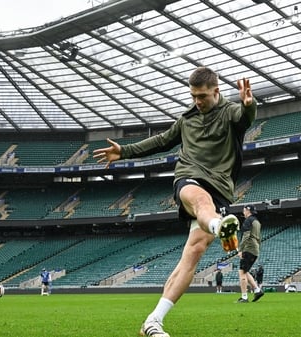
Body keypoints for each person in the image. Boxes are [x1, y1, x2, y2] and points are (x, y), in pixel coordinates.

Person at [93, 66, 256, 337]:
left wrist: (249, 105)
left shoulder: (229, 111)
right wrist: (124, 152)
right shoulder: (186, 120)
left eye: (202, 96)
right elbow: (160, 141)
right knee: (201, 201)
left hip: (221, 187)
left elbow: (244, 117)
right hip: (189, 178)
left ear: (216, 91)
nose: (197, 101)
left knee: (192, 255)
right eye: (193, 95)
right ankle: (218, 226)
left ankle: (153, 321)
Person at [237, 205, 264, 303]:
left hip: (249, 248)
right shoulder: (257, 222)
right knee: (246, 270)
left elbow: (246, 236)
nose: (243, 212)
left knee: (242, 272)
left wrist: (240, 249)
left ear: (248, 210)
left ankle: (244, 297)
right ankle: (257, 290)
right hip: (255, 248)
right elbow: (259, 237)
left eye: (244, 210)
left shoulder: (248, 221)